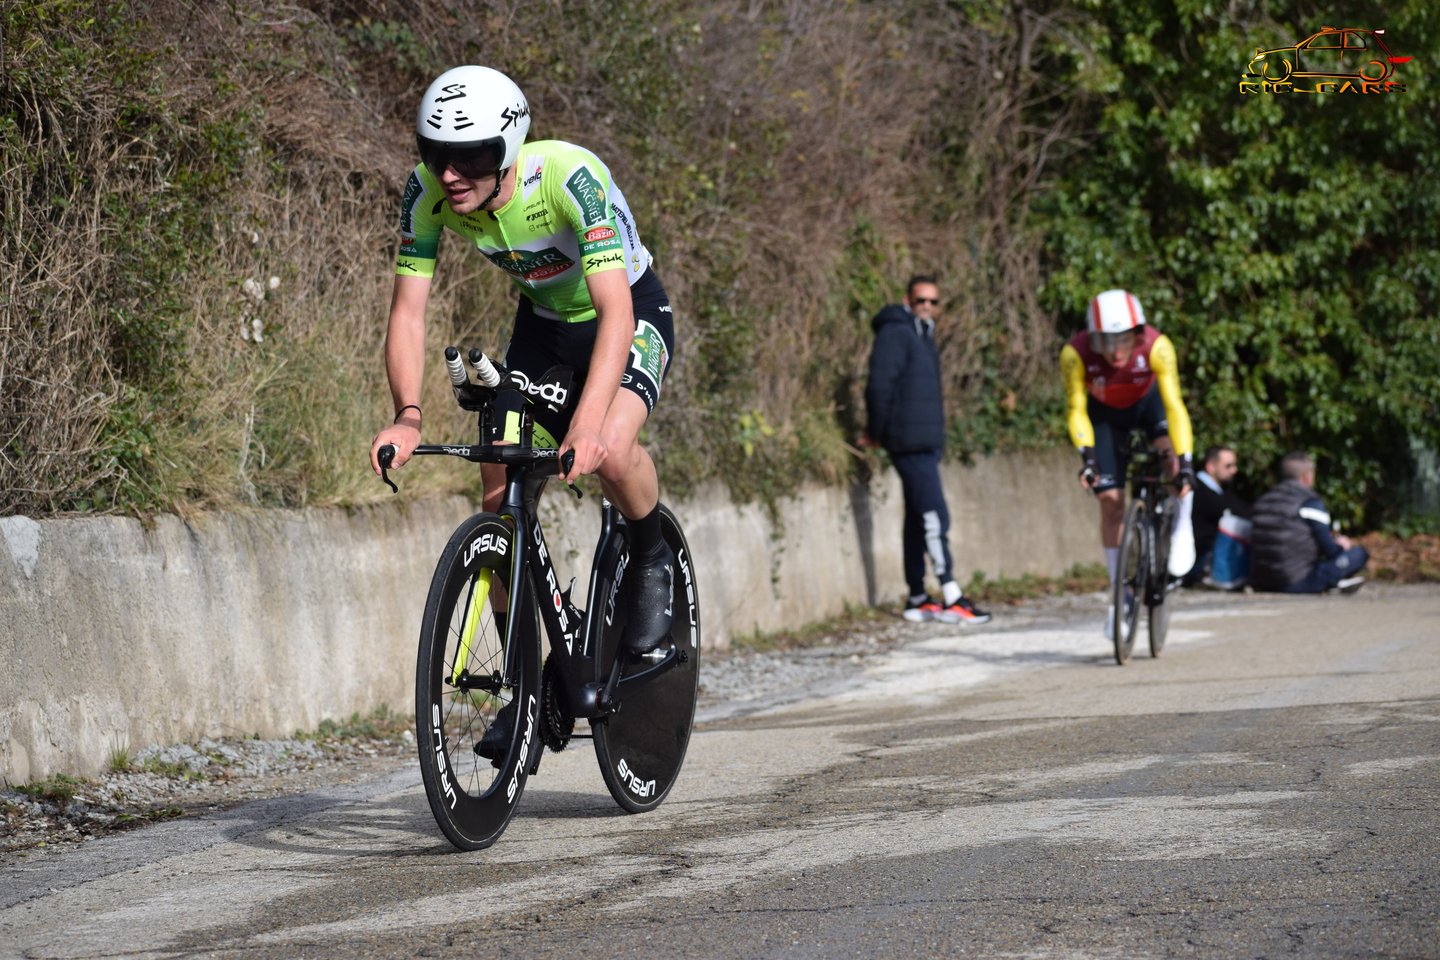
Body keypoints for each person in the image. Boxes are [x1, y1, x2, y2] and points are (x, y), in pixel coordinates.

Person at [368, 66, 676, 749]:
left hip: (627, 313)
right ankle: (527, 691)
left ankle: (652, 555)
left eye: (471, 155)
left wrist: (591, 426)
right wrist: (408, 414)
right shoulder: (427, 194)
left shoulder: (570, 178)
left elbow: (616, 312)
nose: (449, 174)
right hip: (542, 329)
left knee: (616, 448)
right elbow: (409, 312)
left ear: (508, 148)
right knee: (498, 495)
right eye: (435, 152)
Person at [1060, 289, 1196, 638]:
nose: (1116, 352)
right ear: (1093, 339)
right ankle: (1120, 592)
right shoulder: (1074, 354)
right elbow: (1076, 410)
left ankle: (1182, 526)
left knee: (1173, 466)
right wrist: (1088, 459)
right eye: (1106, 342)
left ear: (1137, 334)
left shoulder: (1157, 347)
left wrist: (1185, 464)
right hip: (1104, 415)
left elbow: (1175, 406)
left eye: (1123, 340)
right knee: (1109, 501)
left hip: (1148, 406)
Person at [862, 275, 991, 624]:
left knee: (918, 520)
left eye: (934, 302)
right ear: (908, 301)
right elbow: (879, 386)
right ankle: (951, 593)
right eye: (922, 301)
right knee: (936, 516)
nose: (928, 308)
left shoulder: (923, 336)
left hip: (925, 442)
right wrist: (877, 431)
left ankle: (917, 596)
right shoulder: (896, 332)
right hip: (909, 442)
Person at [1250, 451, 1368, 593]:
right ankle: (1332, 582)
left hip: (1262, 581)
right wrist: (1342, 546)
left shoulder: (1263, 500)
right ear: (1306, 476)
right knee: (1359, 554)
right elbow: (1329, 549)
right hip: (1297, 582)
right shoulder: (1309, 502)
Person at [1184, 444, 1252, 586]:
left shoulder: (1216, 489)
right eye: (1228, 466)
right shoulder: (1199, 490)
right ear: (1211, 467)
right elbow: (1233, 511)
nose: (1234, 470)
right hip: (1198, 561)